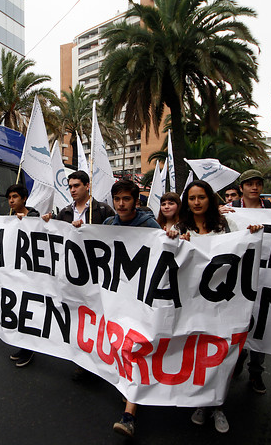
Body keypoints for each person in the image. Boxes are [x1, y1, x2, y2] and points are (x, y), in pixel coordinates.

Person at [168, 179, 262, 434]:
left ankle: (218, 404)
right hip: (193, 305)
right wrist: (177, 242)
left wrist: (252, 231)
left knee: (222, 355)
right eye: (191, 198)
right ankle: (201, 403)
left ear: (210, 199)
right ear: (186, 202)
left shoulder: (227, 225)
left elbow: (246, 245)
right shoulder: (179, 227)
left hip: (223, 303)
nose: (196, 202)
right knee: (198, 353)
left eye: (201, 197)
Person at [226, 169, 271, 394]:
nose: (254, 187)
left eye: (258, 183)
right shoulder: (230, 210)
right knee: (237, 322)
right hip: (238, 278)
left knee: (261, 325)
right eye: (249, 184)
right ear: (242, 187)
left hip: (266, 278)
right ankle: (237, 359)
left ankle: (256, 372)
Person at [43, 170, 114, 380]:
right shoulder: (65, 212)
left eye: (76, 186)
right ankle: (83, 361)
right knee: (78, 316)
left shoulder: (103, 209)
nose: (72, 190)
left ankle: (100, 360)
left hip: (97, 274)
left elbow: (116, 237)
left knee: (97, 317)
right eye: (70, 186)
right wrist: (48, 221)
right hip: (73, 273)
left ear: (87, 185)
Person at [104, 179, 161, 438]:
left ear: (135, 201)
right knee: (121, 345)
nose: (121, 204)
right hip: (117, 298)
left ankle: (129, 415)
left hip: (141, 299)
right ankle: (130, 392)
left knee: (135, 347)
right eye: (117, 199)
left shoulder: (150, 226)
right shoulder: (106, 226)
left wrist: (169, 238)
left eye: (126, 199)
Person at [5, 184, 41, 367]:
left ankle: (29, 349)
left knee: (29, 311)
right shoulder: (8, 219)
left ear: (24, 198)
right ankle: (23, 346)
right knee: (18, 311)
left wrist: (25, 222)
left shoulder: (35, 217)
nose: (11, 200)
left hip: (32, 275)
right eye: (9, 197)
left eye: (15, 197)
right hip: (15, 274)